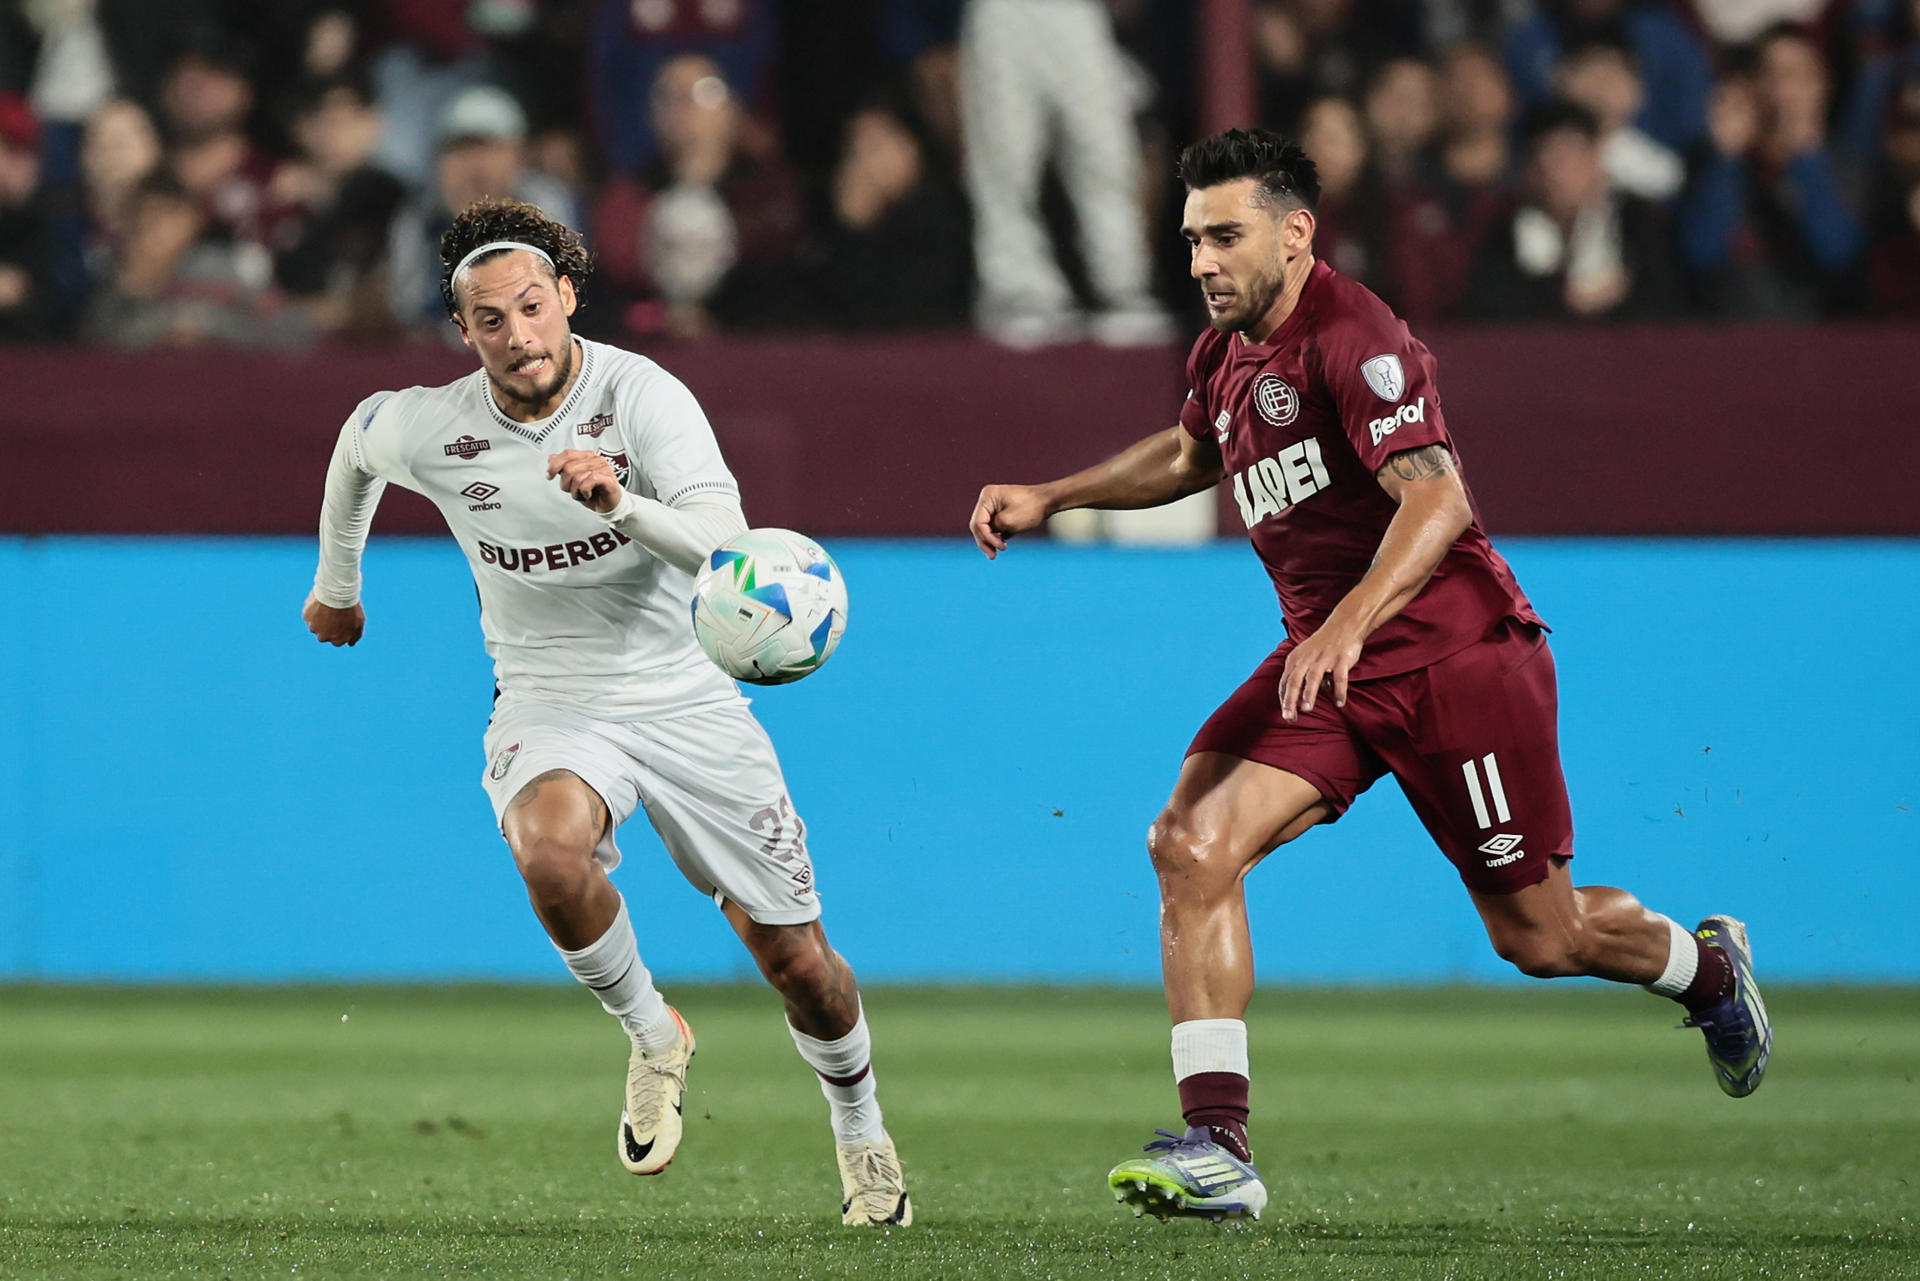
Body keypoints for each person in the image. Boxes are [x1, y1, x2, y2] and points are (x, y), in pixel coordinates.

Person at [966, 128, 1771, 1223]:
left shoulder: (1356, 335)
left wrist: (1344, 626)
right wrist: (1054, 496)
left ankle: (1710, 970)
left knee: (1542, 938)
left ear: (1296, 234)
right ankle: (1219, 1144)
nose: (1202, 261)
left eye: (1226, 237)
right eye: (1193, 239)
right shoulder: (1226, 354)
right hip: (1332, 668)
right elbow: (1194, 453)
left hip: (1455, 662)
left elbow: (1438, 500)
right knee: (1189, 842)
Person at [303, 198, 911, 1227]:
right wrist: (339, 584)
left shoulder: (643, 396)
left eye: (532, 307)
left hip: (684, 695)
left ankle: (862, 1134)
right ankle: (653, 1033)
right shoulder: (436, 425)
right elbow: (358, 444)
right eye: (490, 319)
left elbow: (726, 549)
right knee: (548, 853)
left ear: (568, 296)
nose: (518, 334)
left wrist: (621, 504)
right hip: (549, 692)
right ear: (464, 331)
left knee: (799, 964)